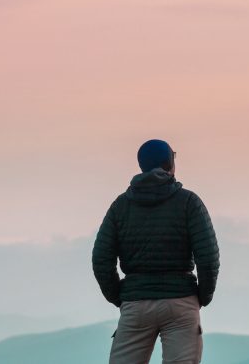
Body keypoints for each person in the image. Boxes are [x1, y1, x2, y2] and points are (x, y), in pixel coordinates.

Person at [92, 139, 220, 364]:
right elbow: (208, 258)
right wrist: (203, 297)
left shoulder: (120, 206)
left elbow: (101, 259)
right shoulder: (189, 202)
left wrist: (121, 297)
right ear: (170, 163)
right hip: (181, 302)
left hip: (136, 304)